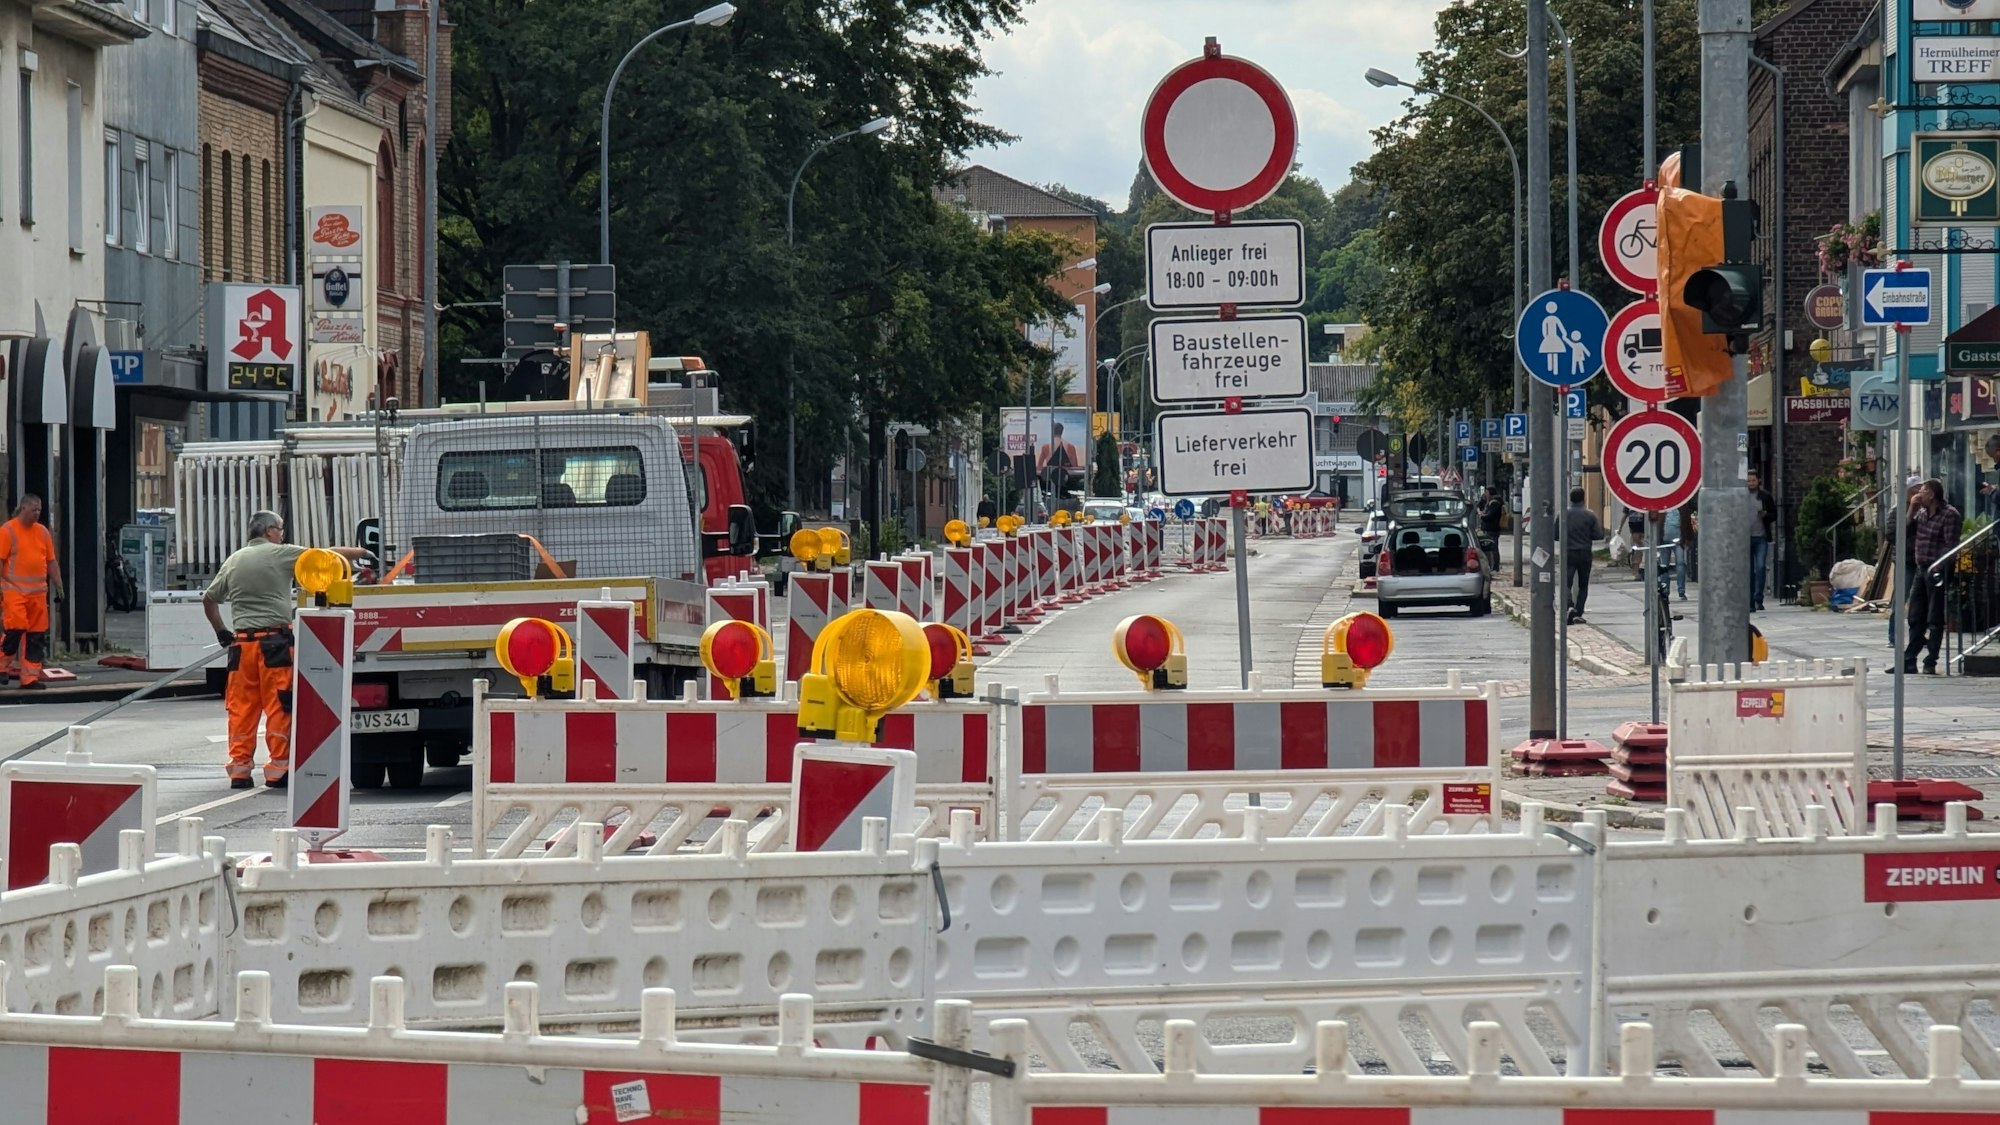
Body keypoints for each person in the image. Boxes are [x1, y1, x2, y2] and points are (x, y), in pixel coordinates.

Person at [202, 510, 368, 789]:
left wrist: (222, 633)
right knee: (279, 705)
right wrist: (361, 551)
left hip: (241, 647)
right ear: (269, 531)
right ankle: (278, 770)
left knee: (241, 709)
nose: (282, 534)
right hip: (274, 646)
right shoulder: (280, 554)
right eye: (280, 529)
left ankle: (239, 771)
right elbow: (323, 556)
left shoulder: (234, 560)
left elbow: (209, 600)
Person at [0, 495, 64, 690]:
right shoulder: (8, 531)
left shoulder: (43, 532)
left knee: (36, 637)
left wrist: (58, 585)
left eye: (39, 510)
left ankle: (29, 678)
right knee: (16, 627)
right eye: (33, 510)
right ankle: (2, 664)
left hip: (37, 594)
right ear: (23, 508)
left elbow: (51, 561)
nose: (37, 514)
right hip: (14, 591)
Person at [1904, 478, 1963, 675]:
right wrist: (1912, 508)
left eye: (1923, 490)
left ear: (1932, 494)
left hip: (1937, 570)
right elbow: (1905, 530)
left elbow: (1951, 545)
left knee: (1934, 616)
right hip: (1921, 569)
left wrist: (1938, 564)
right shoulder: (1921, 512)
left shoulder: (1949, 515)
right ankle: (1909, 660)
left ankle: (1931, 660)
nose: (1919, 493)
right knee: (1914, 614)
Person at [1563, 487, 1604, 624]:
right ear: (1583, 498)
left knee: (1566, 582)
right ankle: (1578, 612)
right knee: (1583, 584)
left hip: (1568, 552)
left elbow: (1556, 534)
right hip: (1584, 552)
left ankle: (1569, 605)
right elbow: (1598, 534)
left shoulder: (1563, 514)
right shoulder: (1590, 515)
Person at [1747, 471, 1776, 611]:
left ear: (1758, 481)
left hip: (1761, 537)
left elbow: (1774, 514)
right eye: (1748, 481)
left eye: (1753, 480)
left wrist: (1765, 515)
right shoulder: (1741, 496)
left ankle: (1759, 597)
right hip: (1745, 538)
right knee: (1749, 570)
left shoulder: (1765, 496)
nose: (1751, 483)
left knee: (1760, 567)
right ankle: (1750, 601)